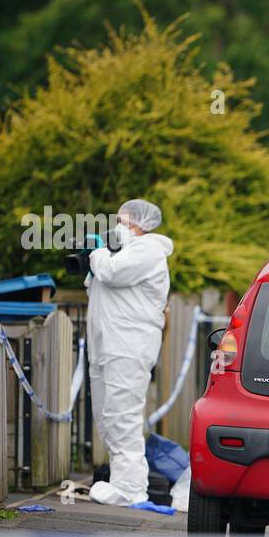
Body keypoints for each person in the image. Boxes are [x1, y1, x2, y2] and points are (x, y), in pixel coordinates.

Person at [86, 199, 173, 507]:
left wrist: (96, 252)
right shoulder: (124, 251)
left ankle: (131, 487)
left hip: (129, 345)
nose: (118, 228)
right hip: (108, 344)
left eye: (124, 223)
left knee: (122, 415)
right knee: (107, 415)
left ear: (141, 225)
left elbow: (111, 273)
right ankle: (120, 481)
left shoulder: (148, 251)